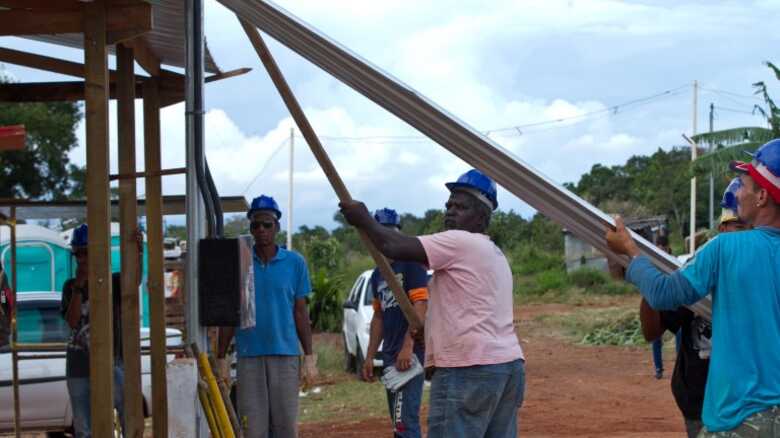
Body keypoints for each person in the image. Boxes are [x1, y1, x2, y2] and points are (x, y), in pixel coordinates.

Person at [606, 139, 780, 436]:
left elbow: (664, 294)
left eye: (744, 184)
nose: (737, 192)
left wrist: (630, 252)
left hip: (741, 417)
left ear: (762, 196)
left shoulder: (725, 248)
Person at [341, 169, 525, 438]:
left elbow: (392, 246)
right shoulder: (494, 253)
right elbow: (470, 312)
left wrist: (364, 220)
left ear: (481, 215)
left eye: (460, 207)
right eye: (449, 204)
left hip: (468, 370)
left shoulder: (459, 241)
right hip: (507, 368)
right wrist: (428, 331)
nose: (450, 211)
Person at [638, 178, 749, 438]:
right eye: (739, 226)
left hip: (749, 402)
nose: (745, 234)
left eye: (751, 227)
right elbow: (651, 332)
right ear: (723, 229)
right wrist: (650, 288)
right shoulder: (695, 274)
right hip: (699, 403)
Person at [217, 194, 317, 438]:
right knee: (252, 429)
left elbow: (300, 312)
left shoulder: (294, 263)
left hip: (285, 356)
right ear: (250, 228)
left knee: (284, 427)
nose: (261, 230)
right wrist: (220, 357)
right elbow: (230, 313)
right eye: (255, 225)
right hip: (249, 356)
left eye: (267, 224)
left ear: (277, 227)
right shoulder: (239, 261)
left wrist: (310, 356)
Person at [61, 224, 142, 438]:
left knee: (127, 415)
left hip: (112, 360)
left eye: (86, 252)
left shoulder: (113, 282)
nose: (82, 258)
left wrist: (138, 251)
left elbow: (134, 282)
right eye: (78, 253)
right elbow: (72, 321)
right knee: (83, 426)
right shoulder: (70, 286)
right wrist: (79, 285)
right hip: (79, 364)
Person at [362, 208, 429, 438]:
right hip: (390, 356)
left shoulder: (411, 265)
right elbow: (378, 317)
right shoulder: (377, 275)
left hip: (409, 356)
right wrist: (370, 355)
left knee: (404, 424)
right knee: (397, 423)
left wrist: (408, 346)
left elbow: (421, 307)